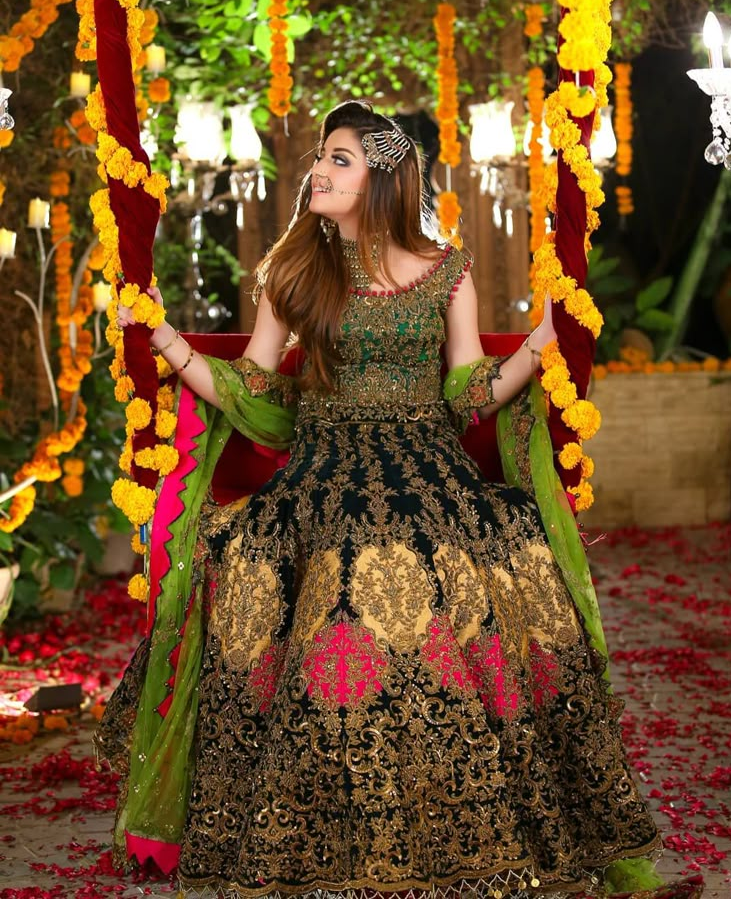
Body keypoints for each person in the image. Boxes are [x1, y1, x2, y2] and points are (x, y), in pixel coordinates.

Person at [98, 101, 699, 899]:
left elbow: (467, 396)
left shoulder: (448, 269)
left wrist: (538, 345)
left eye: (339, 159)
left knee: (479, 563)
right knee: (270, 565)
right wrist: (169, 343)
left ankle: (458, 819)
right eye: (321, 155)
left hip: (426, 472)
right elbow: (254, 392)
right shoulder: (294, 273)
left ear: (381, 176)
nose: (318, 169)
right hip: (320, 475)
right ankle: (316, 826)